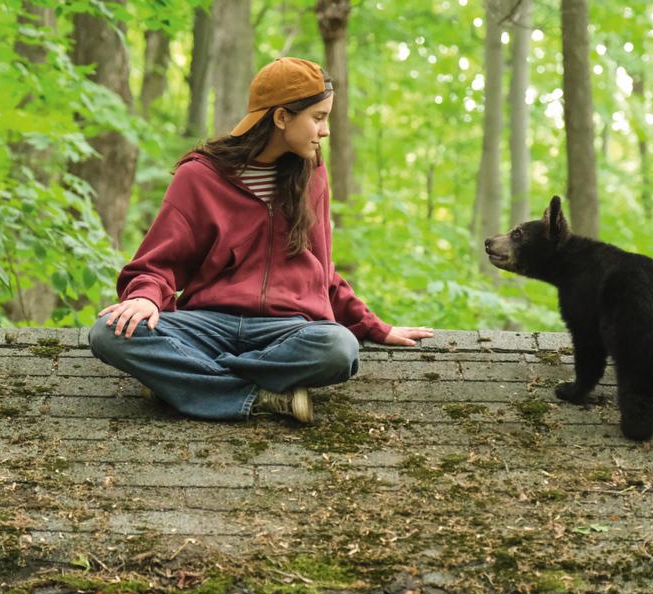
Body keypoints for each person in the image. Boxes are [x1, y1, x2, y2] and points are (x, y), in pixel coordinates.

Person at [89, 57, 432, 423]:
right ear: (282, 118)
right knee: (108, 333)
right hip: (207, 325)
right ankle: (264, 395)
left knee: (339, 348)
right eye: (317, 117)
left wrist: (375, 328)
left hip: (286, 331)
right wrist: (143, 296)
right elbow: (157, 264)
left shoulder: (311, 176)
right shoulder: (199, 176)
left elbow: (324, 273)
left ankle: (186, 381)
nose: (325, 130)